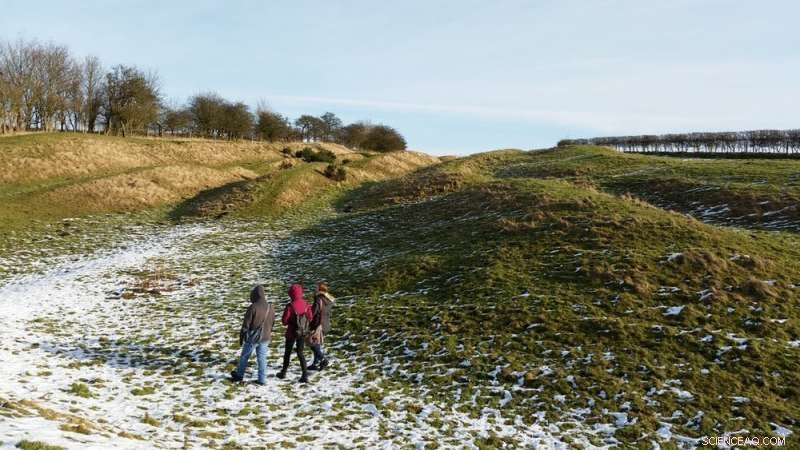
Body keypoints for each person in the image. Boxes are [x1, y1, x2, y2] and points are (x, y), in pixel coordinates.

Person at [230, 285, 275, 385]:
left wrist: (242, 336)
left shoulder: (253, 307)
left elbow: (246, 324)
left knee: (244, 356)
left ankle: (239, 375)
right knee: (262, 359)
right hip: (265, 337)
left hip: (252, 337)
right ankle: (262, 379)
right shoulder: (270, 307)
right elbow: (272, 322)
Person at [277, 283, 313, 383]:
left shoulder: (290, 306)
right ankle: (305, 375)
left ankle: (283, 372)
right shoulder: (306, 304)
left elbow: (284, 321)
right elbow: (310, 317)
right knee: (300, 353)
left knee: (287, 352)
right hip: (302, 332)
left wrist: (291, 322)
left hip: (291, 332)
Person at [308, 282, 335, 371]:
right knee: (317, 343)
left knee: (312, 343)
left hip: (317, 325)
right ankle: (315, 363)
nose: (314, 289)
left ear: (320, 289)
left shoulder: (318, 299)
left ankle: (323, 359)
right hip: (326, 324)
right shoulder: (329, 299)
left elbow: (313, 313)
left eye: (316, 288)